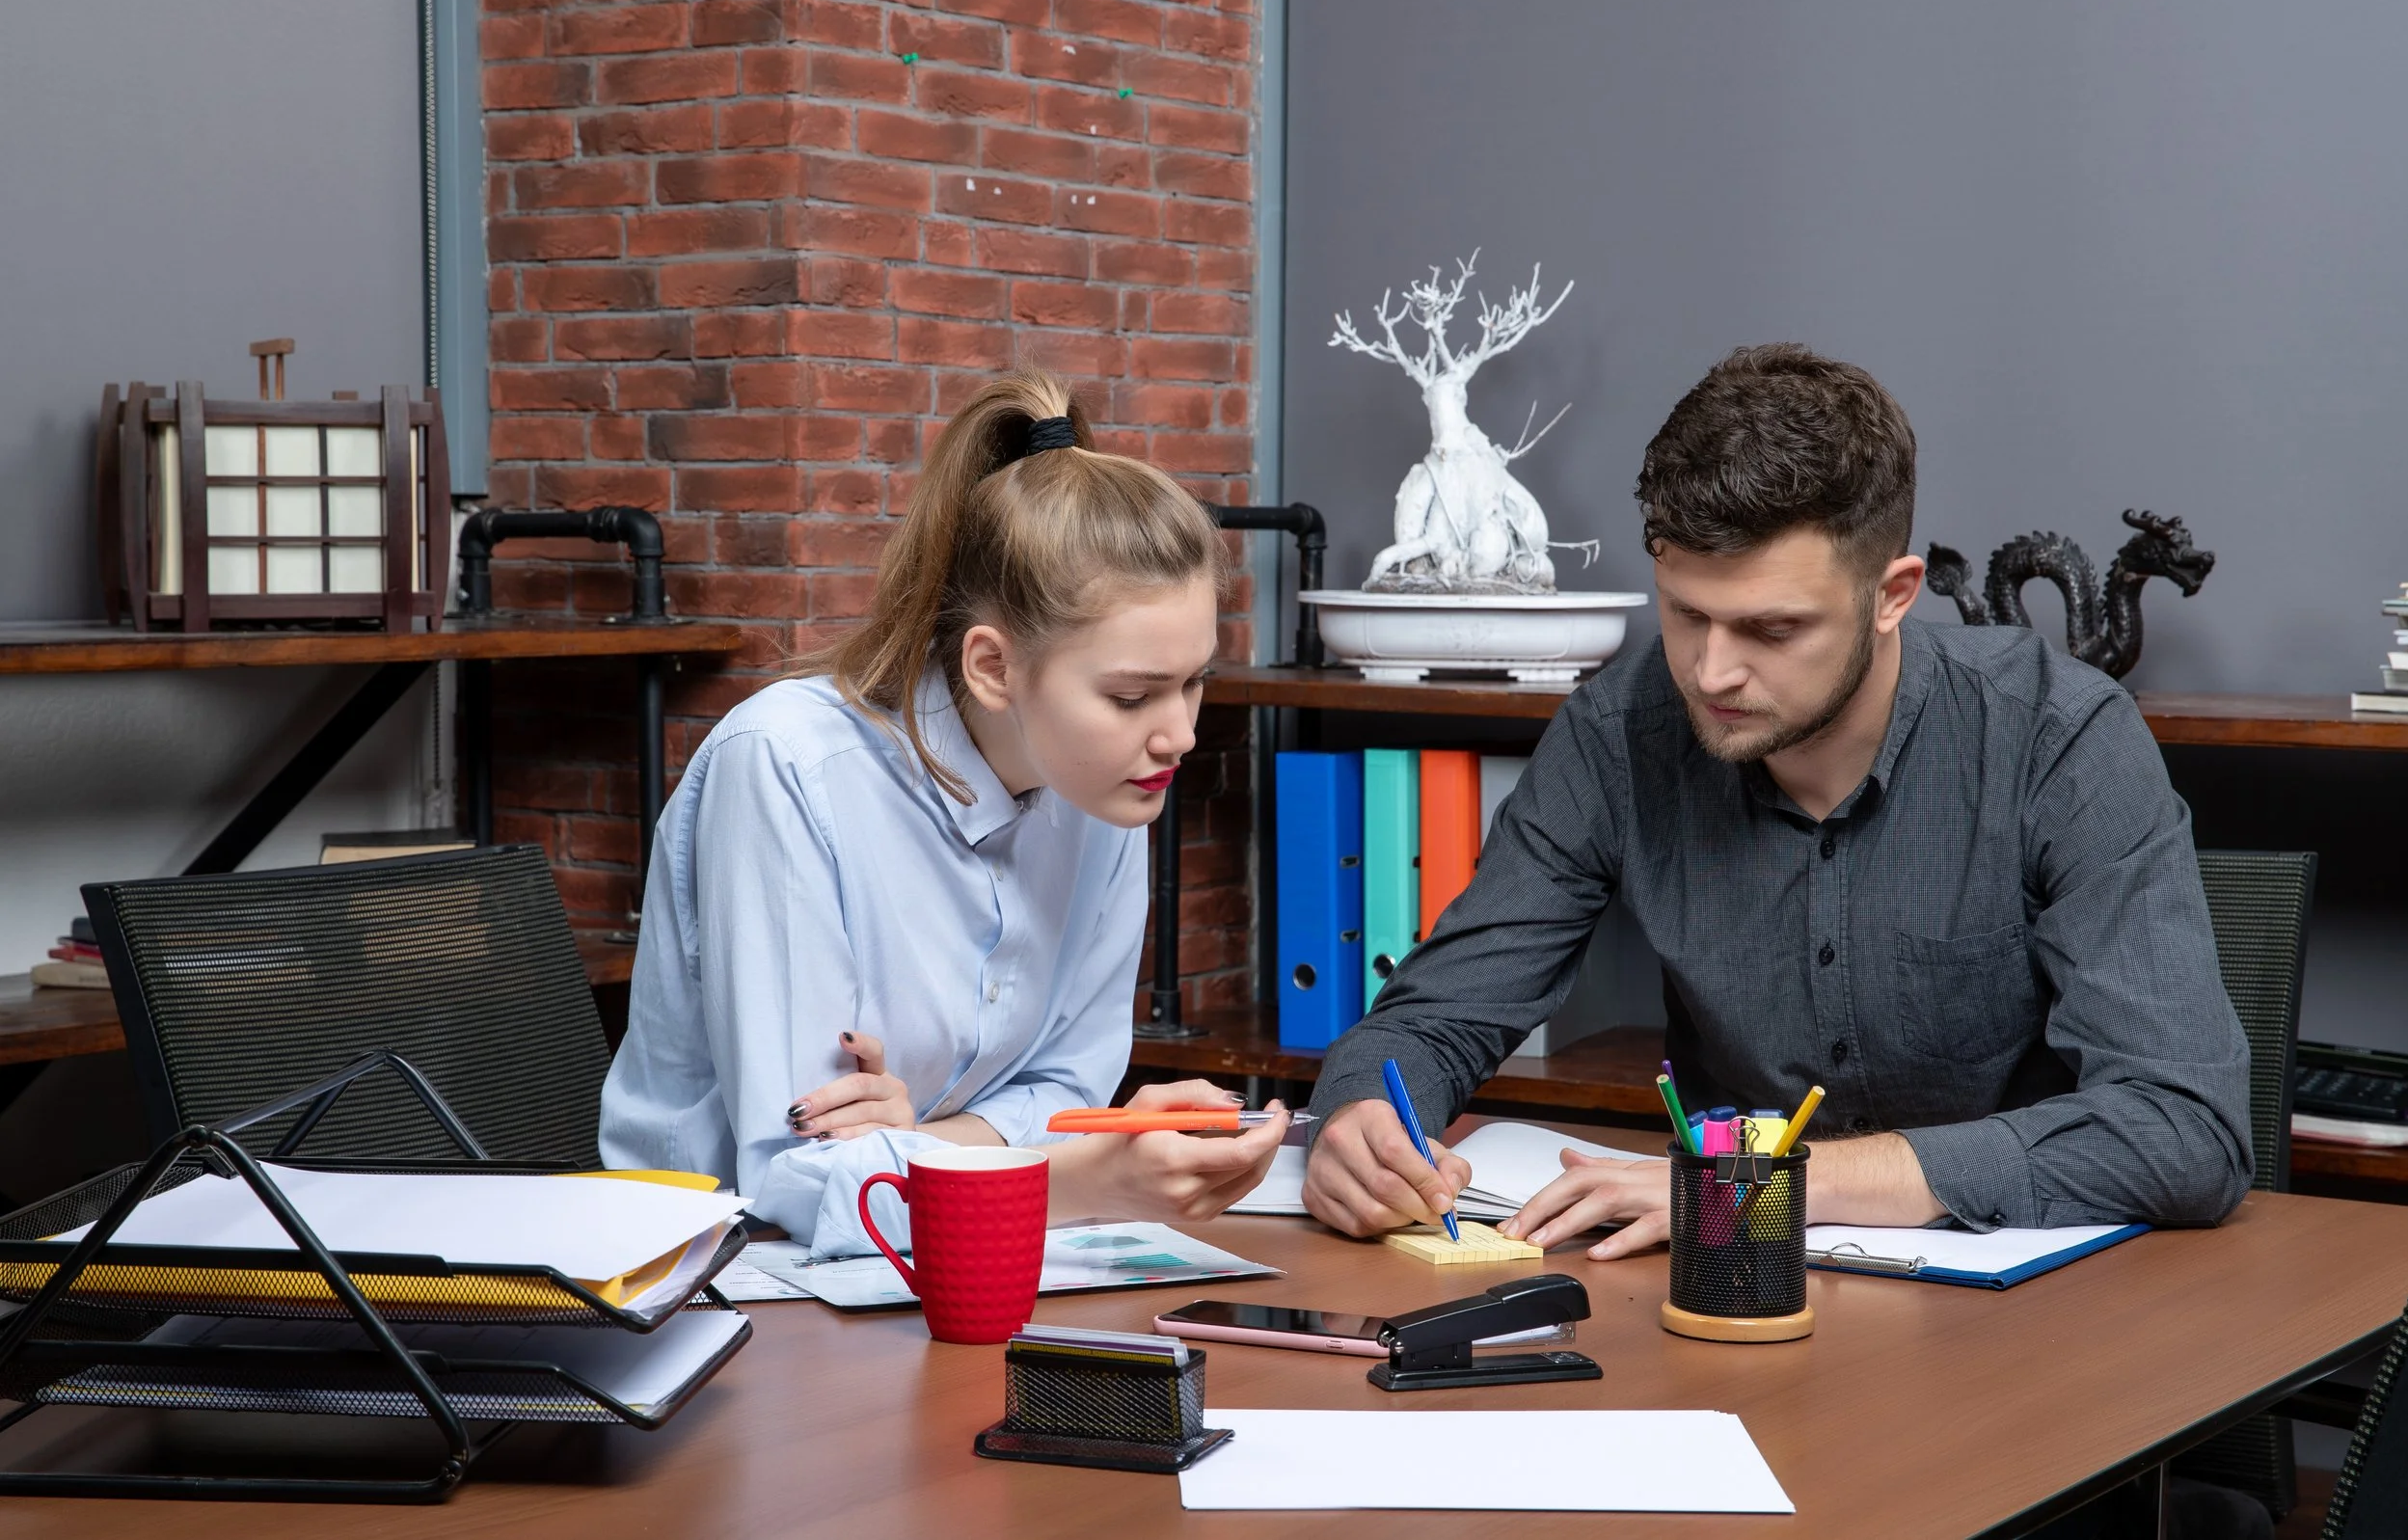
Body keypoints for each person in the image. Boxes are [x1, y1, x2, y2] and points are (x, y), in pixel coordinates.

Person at [1302, 342, 2254, 1259]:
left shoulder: (2057, 737)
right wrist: (1362, 1119)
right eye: (1685, 613)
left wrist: (1776, 1178)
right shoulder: (1614, 734)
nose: (1711, 671)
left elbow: (2183, 1127)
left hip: (2036, 1318)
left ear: (1892, 594)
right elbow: (1430, 1019)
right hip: (1732, 1297)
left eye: (1770, 628)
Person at [600, 369, 1286, 1253]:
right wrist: (1079, 1180)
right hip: (713, 1279)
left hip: (915, 1265)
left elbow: (1065, 1090)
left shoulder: (1104, 783)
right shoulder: (786, 767)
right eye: (1131, 695)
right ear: (993, 667)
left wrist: (924, 1139)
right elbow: (793, 1175)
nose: (1178, 735)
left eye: (1194, 682)